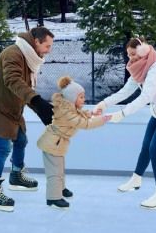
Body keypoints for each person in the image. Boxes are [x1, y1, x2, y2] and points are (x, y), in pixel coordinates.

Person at [96, 37, 156, 209]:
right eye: (128, 55)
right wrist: (104, 104)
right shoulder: (139, 69)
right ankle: (136, 180)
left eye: (133, 54)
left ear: (143, 52)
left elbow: (146, 96)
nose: (131, 59)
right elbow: (125, 91)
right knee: (146, 147)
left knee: (155, 151)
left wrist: (122, 114)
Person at [0, 27, 55, 212]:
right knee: (3, 148)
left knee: (21, 140)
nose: (49, 50)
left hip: (12, 110)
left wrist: (40, 109)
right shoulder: (13, 54)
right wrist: (37, 101)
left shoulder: (29, 59)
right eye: (47, 45)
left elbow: (23, 89)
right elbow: (12, 80)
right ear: (36, 42)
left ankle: (16, 175)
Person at [36, 76, 111, 209]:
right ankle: (53, 198)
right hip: (52, 144)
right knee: (55, 172)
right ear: (72, 98)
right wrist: (102, 120)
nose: (84, 99)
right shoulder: (66, 112)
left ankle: (61, 189)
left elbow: (80, 115)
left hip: (56, 143)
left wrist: (93, 113)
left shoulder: (69, 108)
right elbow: (83, 123)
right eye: (81, 97)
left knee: (60, 169)